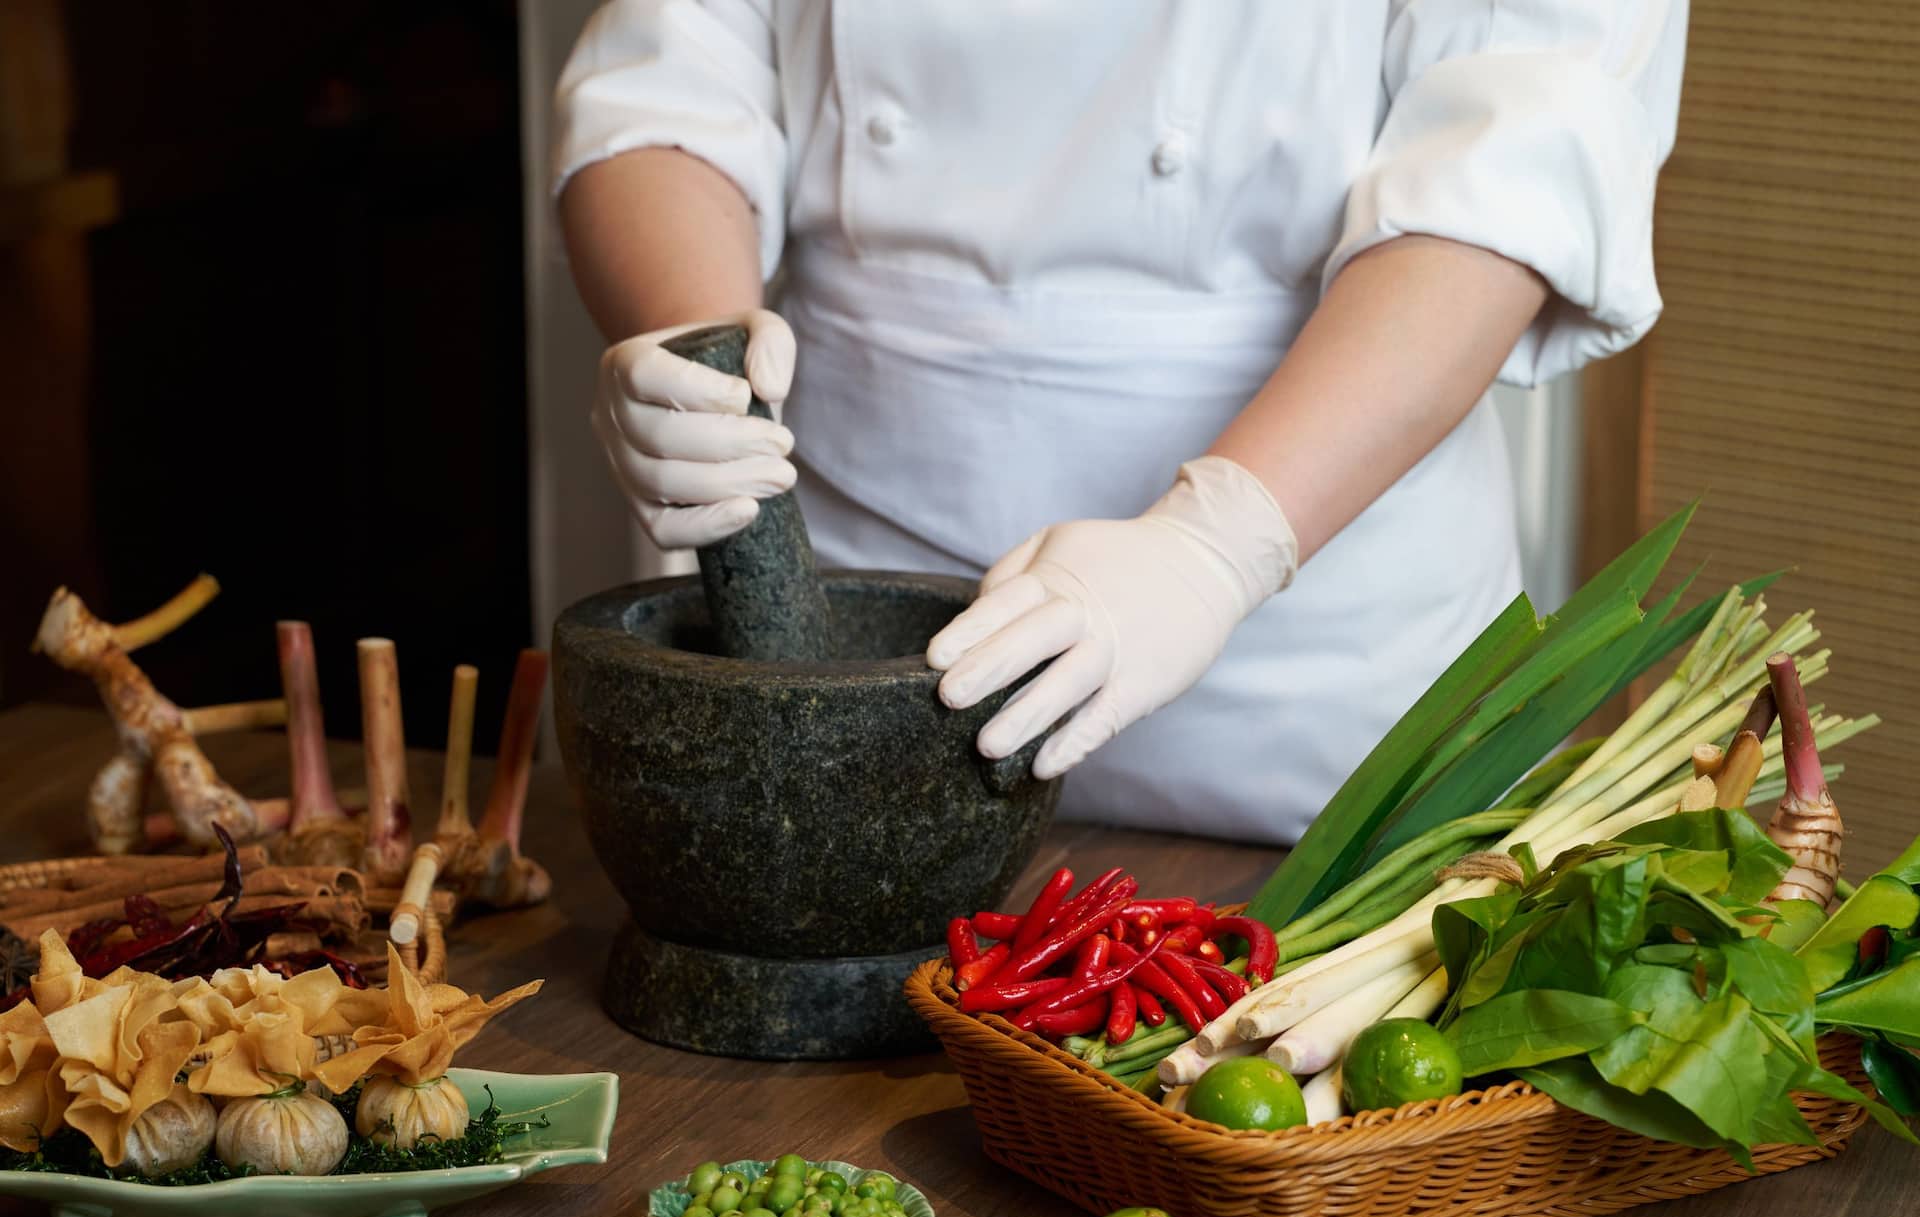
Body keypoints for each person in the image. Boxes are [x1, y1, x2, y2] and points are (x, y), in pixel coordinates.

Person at [554, 2, 1687, 844]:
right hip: (853, 611)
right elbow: (668, 82)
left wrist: (1216, 546)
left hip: (1307, 657)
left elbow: (1509, 178)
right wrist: (696, 350)